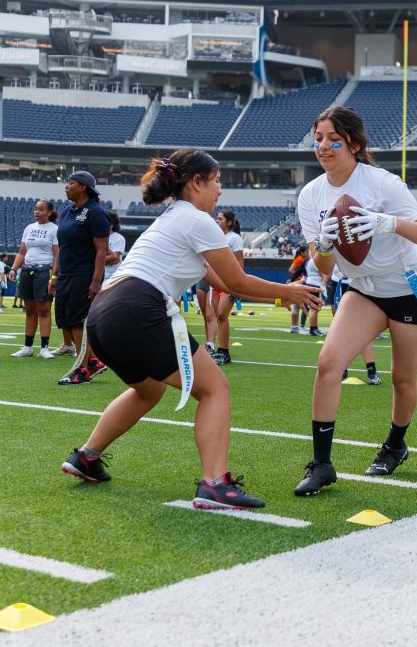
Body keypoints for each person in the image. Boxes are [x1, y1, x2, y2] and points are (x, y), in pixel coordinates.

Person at [60, 149, 322, 509]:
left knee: (148, 391)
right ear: (196, 182)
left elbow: (223, 282)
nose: (220, 191)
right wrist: (288, 291)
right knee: (215, 388)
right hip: (136, 308)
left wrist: (281, 295)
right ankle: (215, 484)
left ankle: (87, 457)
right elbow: (238, 281)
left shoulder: (175, 218)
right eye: (216, 182)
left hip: (104, 312)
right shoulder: (198, 221)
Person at [293, 106, 417, 496]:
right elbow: (323, 266)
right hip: (363, 288)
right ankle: (322, 463)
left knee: (402, 377)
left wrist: (387, 222)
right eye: (319, 139)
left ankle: (396, 445)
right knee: (329, 363)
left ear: (355, 145)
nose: (324, 147)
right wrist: (325, 241)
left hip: (414, 288)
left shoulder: (382, 183)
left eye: (334, 140)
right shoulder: (311, 195)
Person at [54, 171, 111, 385]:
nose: (66, 186)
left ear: (84, 187)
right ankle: (93, 361)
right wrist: (55, 275)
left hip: (84, 274)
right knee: (66, 321)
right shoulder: (67, 211)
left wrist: (95, 281)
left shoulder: (95, 213)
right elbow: (62, 247)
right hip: (67, 274)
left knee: (78, 322)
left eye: (71, 183)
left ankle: (81, 370)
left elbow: (101, 250)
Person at [9, 199, 59, 358]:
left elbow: (57, 254)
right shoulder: (29, 228)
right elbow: (22, 252)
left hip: (44, 271)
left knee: (43, 310)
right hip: (27, 270)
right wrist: (14, 268)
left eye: (41, 210)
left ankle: (44, 348)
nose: (37, 212)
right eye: (36, 209)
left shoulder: (55, 229)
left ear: (49, 212)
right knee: (29, 310)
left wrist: (55, 275)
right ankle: (27, 347)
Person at [211, 209, 241, 365]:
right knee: (218, 317)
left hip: (228, 282)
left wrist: (236, 287)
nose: (217, 221)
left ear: (229, 222)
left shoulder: (234, 238)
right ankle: (220, 351)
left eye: (220, 219)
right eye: (216, 218)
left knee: (222, 315)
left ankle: (224, 352)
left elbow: (239, 263)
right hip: (215, 281)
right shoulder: (216, 237)